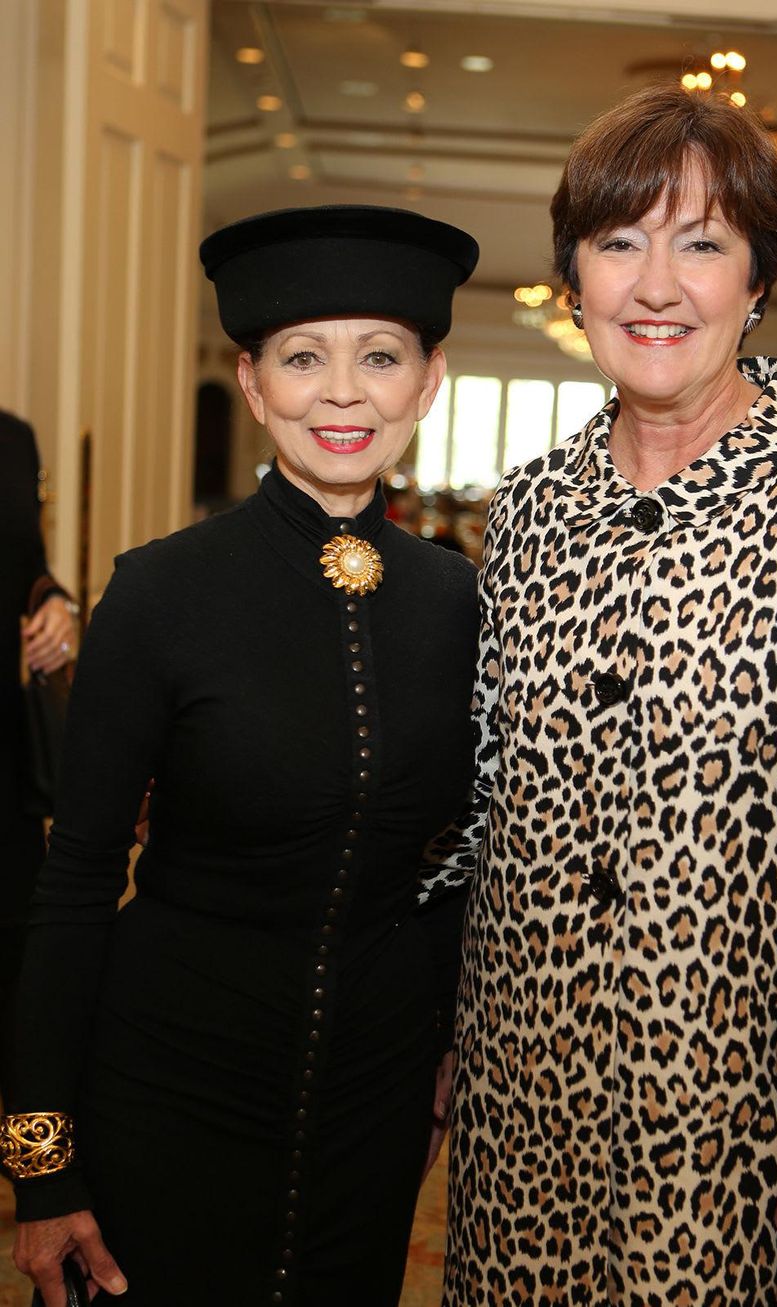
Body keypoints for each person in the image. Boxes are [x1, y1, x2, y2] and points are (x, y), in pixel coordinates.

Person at [427, 87, 777, 1306]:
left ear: (756, 277)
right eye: (619, 242)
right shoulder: (532, 506)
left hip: (737, 1119)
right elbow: (484, 794)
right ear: (572, 279)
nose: (655, 285)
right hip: (525, 1100)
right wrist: (446, 1029)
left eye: (700, 242)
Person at [2, 204, 480, 1307]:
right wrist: (42, 1165)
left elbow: (459, 865)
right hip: (168, 1084)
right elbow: (73, 884)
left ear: (428, 378)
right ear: (255, 382)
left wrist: (440, 1071)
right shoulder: (160, 590)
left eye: (381, 356)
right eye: (304, 358)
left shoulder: (462, 602)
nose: (344, 392)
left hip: (372, 1101)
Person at [0, 410, 77, 1099]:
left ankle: (36, 1175)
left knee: (19, 980)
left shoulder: (13, 438)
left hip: (9, 770)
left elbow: (27, 566)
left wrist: (54, 603)